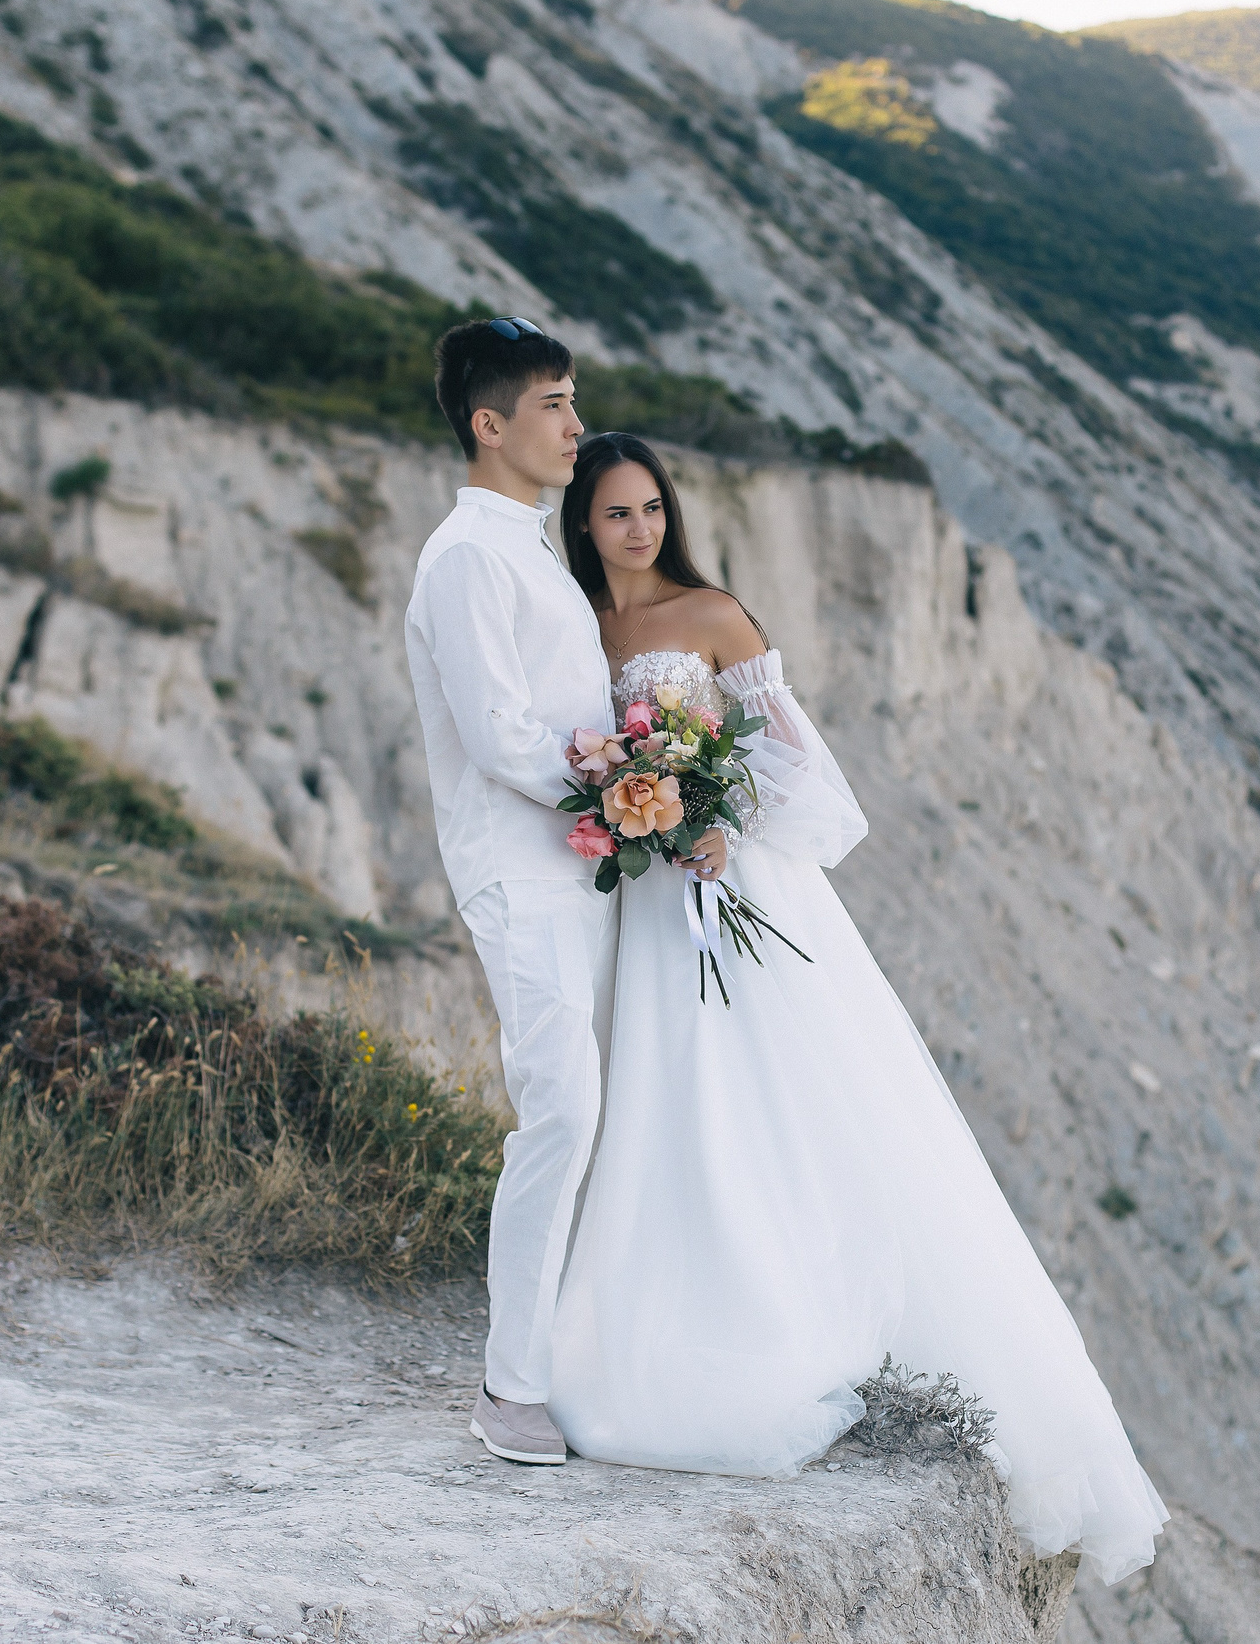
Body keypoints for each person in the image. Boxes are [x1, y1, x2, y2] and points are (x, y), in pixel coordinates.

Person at [541, 431, 1170, 1585]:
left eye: (648, 510)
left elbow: (805, 777)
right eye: (614, 513)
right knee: (658, 1102)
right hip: (640, 905)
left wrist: (717, 820)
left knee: (767, 1096)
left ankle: (778, 1312)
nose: (635, 529)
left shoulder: (714, 612)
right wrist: (628, 808)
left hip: (730, 883)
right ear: (582, 522)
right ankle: (647, 1325)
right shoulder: (576, 625)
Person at [403, 321, 724, 1468]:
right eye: (553, 404)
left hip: (579, 864)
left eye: (574, 400)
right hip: (520, 872)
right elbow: (500, 737)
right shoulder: (465, 560)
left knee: (600, 1109)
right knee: (562, 1113)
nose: (574, 426)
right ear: (490, 424)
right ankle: (508, 1386)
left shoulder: (527, 547)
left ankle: (574, 1352)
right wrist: (638, 789)